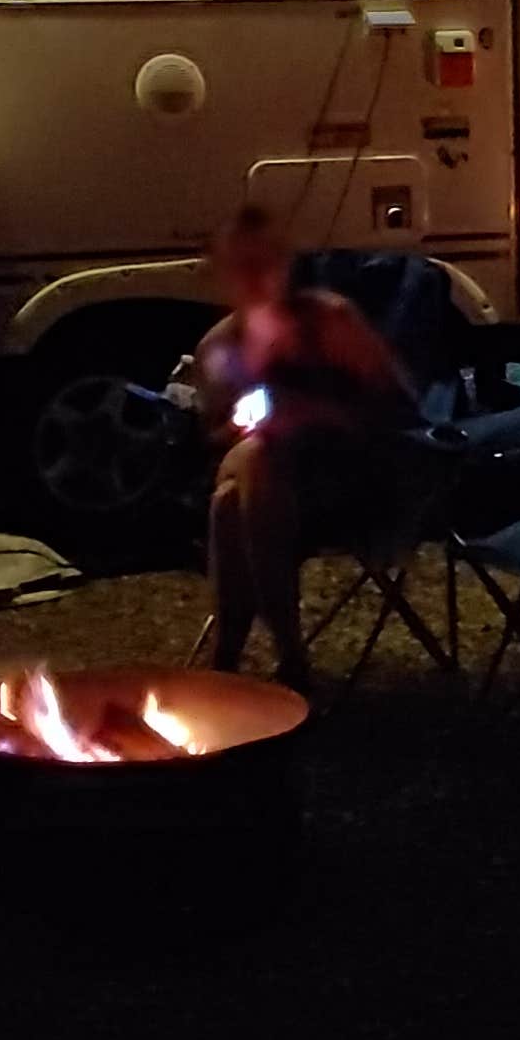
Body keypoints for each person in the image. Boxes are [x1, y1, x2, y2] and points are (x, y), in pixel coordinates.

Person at [185, 207, 419, 690]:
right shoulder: (220, 347)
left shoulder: (329, 323)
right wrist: (237, 426)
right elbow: (208, 438)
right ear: (220, 275)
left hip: (350, 479)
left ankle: (232, 662)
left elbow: (401, 407)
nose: (254, 277)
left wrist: (316, 412)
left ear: (285, 265)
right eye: (240, 266)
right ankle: (282, 665)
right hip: (268, 490)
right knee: (247, 470)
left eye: (264, 263)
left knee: (240, 485)